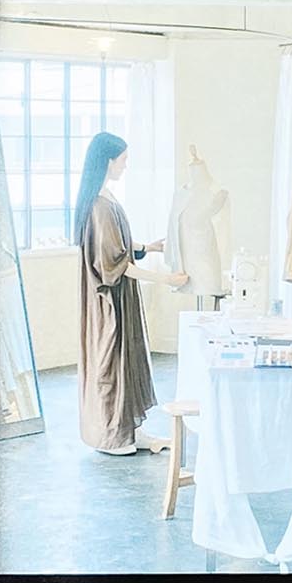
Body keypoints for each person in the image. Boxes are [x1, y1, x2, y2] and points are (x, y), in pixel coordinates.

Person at [73, 132, 183, 454]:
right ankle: (112, 436)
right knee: (112, 364)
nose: (125, 165)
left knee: (126, 362)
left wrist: (149, 247)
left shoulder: (104, 198)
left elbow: (117, 245)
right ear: (108, 161)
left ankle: (131, 430)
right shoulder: (99, 206)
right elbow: (116, 264)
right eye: (123, 160)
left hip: (119, 296)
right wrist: (166, 278)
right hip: (110, 299)